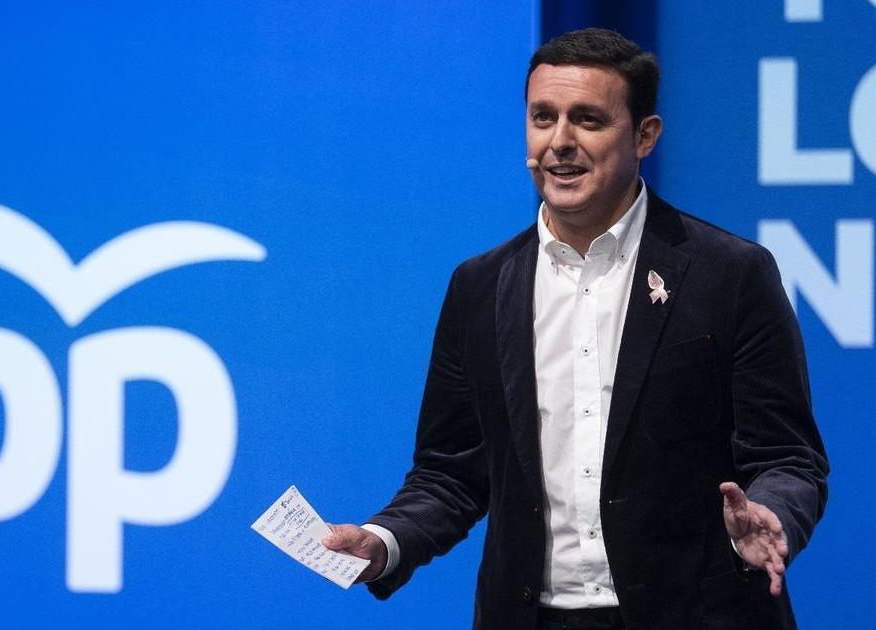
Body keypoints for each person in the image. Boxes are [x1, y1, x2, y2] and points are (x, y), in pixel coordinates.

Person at [322, 28, 828, 630]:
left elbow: (788, 457)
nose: (559, 142)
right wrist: (385, 541)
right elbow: (451, 471)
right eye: (543, 117)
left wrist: (772, 512)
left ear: (644, 136)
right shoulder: (479, 286)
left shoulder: (731, 274)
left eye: (588, 119)